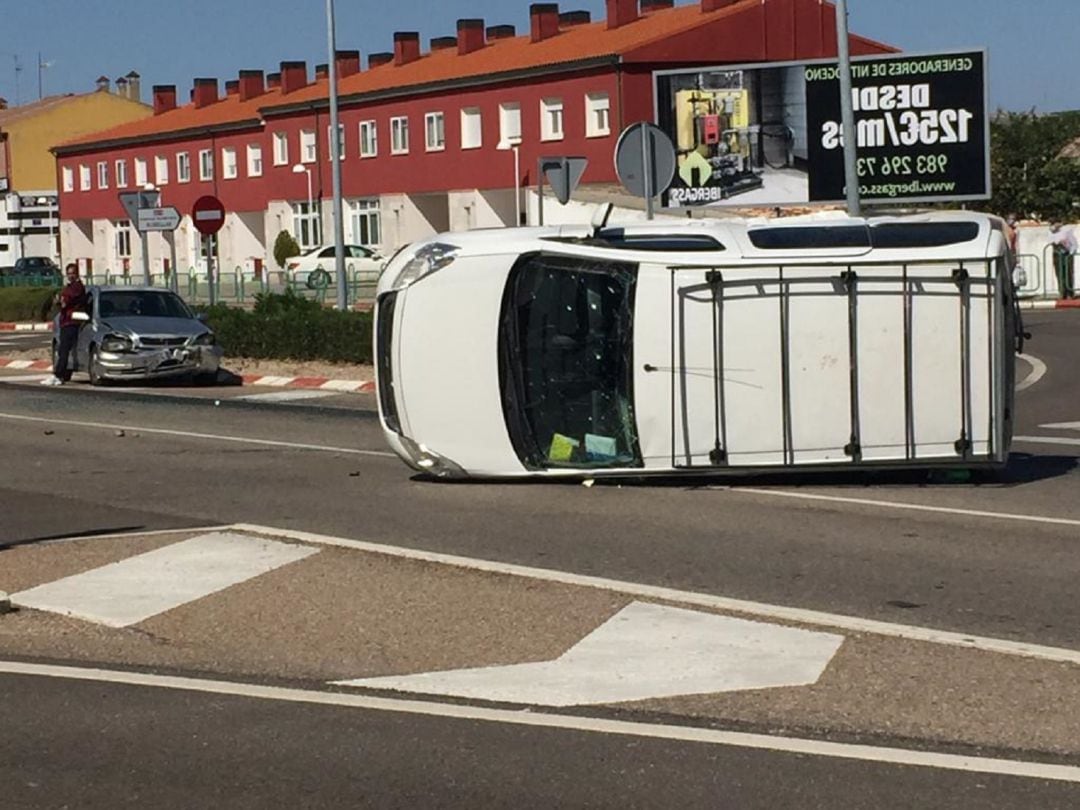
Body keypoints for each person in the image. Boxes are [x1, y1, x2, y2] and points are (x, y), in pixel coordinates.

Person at [41, 263, 88, 386]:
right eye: (69, 273)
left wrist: (61, 300)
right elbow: (61, 300)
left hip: (72, 322)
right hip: (65, 321)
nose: (71, 275)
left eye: (73, 273)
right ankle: (60, 374)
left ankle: (59, 375)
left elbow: (65, 300)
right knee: (63, 350)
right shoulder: (69, 287)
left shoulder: (77, 287)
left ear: (77, 274)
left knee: (64, 350)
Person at [1050, 222, 1077, 300]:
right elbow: (1050, 241)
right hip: (1057, 255)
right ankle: (1062, 292)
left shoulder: (1066, 231)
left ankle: (1070, 293)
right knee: (1059, 274)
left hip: (1067, 254)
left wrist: (1070, 252)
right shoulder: (1052, 233)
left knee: (1068, 273)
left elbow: (1074, 244)